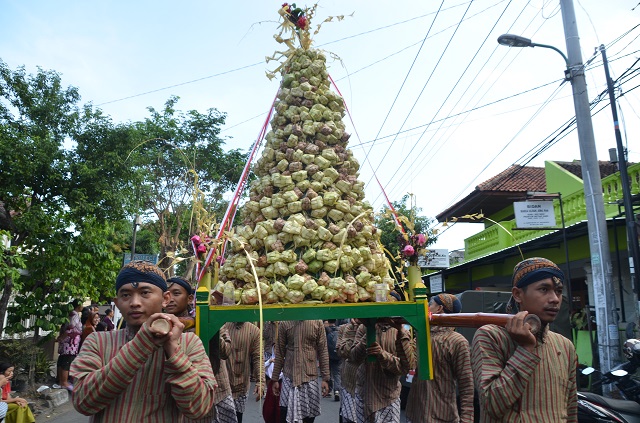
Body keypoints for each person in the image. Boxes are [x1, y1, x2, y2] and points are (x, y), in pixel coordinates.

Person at [70, 260, 217, 422]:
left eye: (145, 292)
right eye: (125, 295)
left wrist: (174, 352)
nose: (134, 303)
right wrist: (141, 345)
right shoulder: (98, 341)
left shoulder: (189, 343)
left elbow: (199, 408)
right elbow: (82, 402)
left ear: (165, 299)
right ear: (117, 303)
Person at [471, 257, 578, 422]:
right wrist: (526, 349)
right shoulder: (490, 336)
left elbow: (570, 411)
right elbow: (491, 404)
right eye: (544, 289)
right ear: (518, 294)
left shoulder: (564, 346)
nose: (555, 299)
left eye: (558, 291)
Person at [406, 293, 474, 423]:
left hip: (442, 415)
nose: (427, 308)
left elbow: (466, 383)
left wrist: (467, 418)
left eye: (430, 304)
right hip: (416, 413)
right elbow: (408, 363)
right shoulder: (421, 336)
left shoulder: (457, 341)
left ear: (439, 309)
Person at [347, 319, 413, 423]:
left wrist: (382, 354)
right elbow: (353, 358)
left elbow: (406, 367)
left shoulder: (400, 331)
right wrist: (368, 335)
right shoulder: (363, 328)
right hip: (364, 394)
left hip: (389, 396)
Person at [271, 320, 330, 423]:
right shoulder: (285, 323)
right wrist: (275, 378)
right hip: (289, 375)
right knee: (284, 412)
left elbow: (323, 350)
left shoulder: (317, 322)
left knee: (310, 414)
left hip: (310, 375)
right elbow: (280, 352)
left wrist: (325, 378)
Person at [224, 321, 264, 423]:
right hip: (223, 384)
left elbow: (258, 357)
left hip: (242, 384)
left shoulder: (254, 331)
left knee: (238, 417)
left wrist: (261, 382)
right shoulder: (223, 327)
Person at [56, 298, 83, 391]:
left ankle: (61, 381)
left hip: (67, 342)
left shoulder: (70, 314)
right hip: (70, 343)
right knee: (66, 362)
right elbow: (70, 328)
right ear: (78, 305)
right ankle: (64, 382)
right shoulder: (74, 315)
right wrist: (63, 337)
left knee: (62, 360)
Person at [324, 320, 341, 401]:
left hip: (327, 355)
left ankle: (329, 389)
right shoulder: (339, 330)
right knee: (337, 374)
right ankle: (337, 390)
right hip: (337, 356)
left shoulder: (325, 330)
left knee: (328, 373)